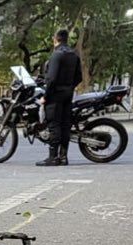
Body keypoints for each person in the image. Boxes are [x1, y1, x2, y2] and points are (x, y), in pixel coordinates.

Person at [37, 29, 82, 166]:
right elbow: (79, 77)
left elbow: (51, 79)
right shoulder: (74, 54)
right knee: (65, 125)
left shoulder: (57, 55)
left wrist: (45, 96)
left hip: (55, 94)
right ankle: (63, 157)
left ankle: (53, 157)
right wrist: (69, 87)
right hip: (68, 94)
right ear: (66, 39)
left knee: (54, 124)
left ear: (55, 39)